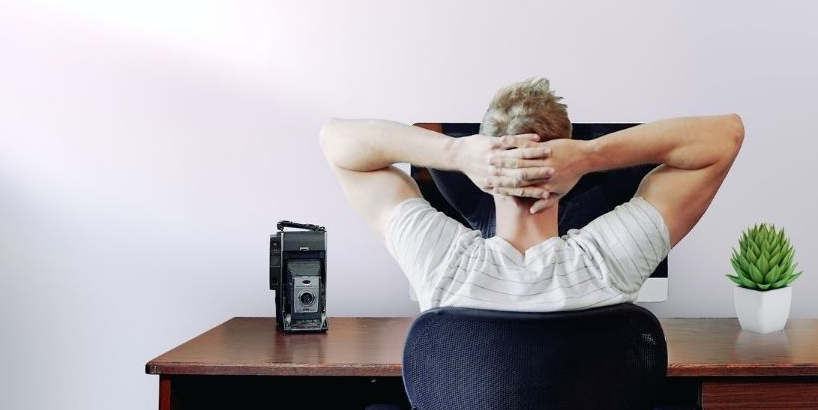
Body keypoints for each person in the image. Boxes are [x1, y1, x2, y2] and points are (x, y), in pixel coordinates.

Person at [319, 77, 745, 312]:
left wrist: (456, 151)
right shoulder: (609, 262)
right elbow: (725, 136)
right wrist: (590, 154)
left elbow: (336, 141)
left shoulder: (441, 264)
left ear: (486, 173)